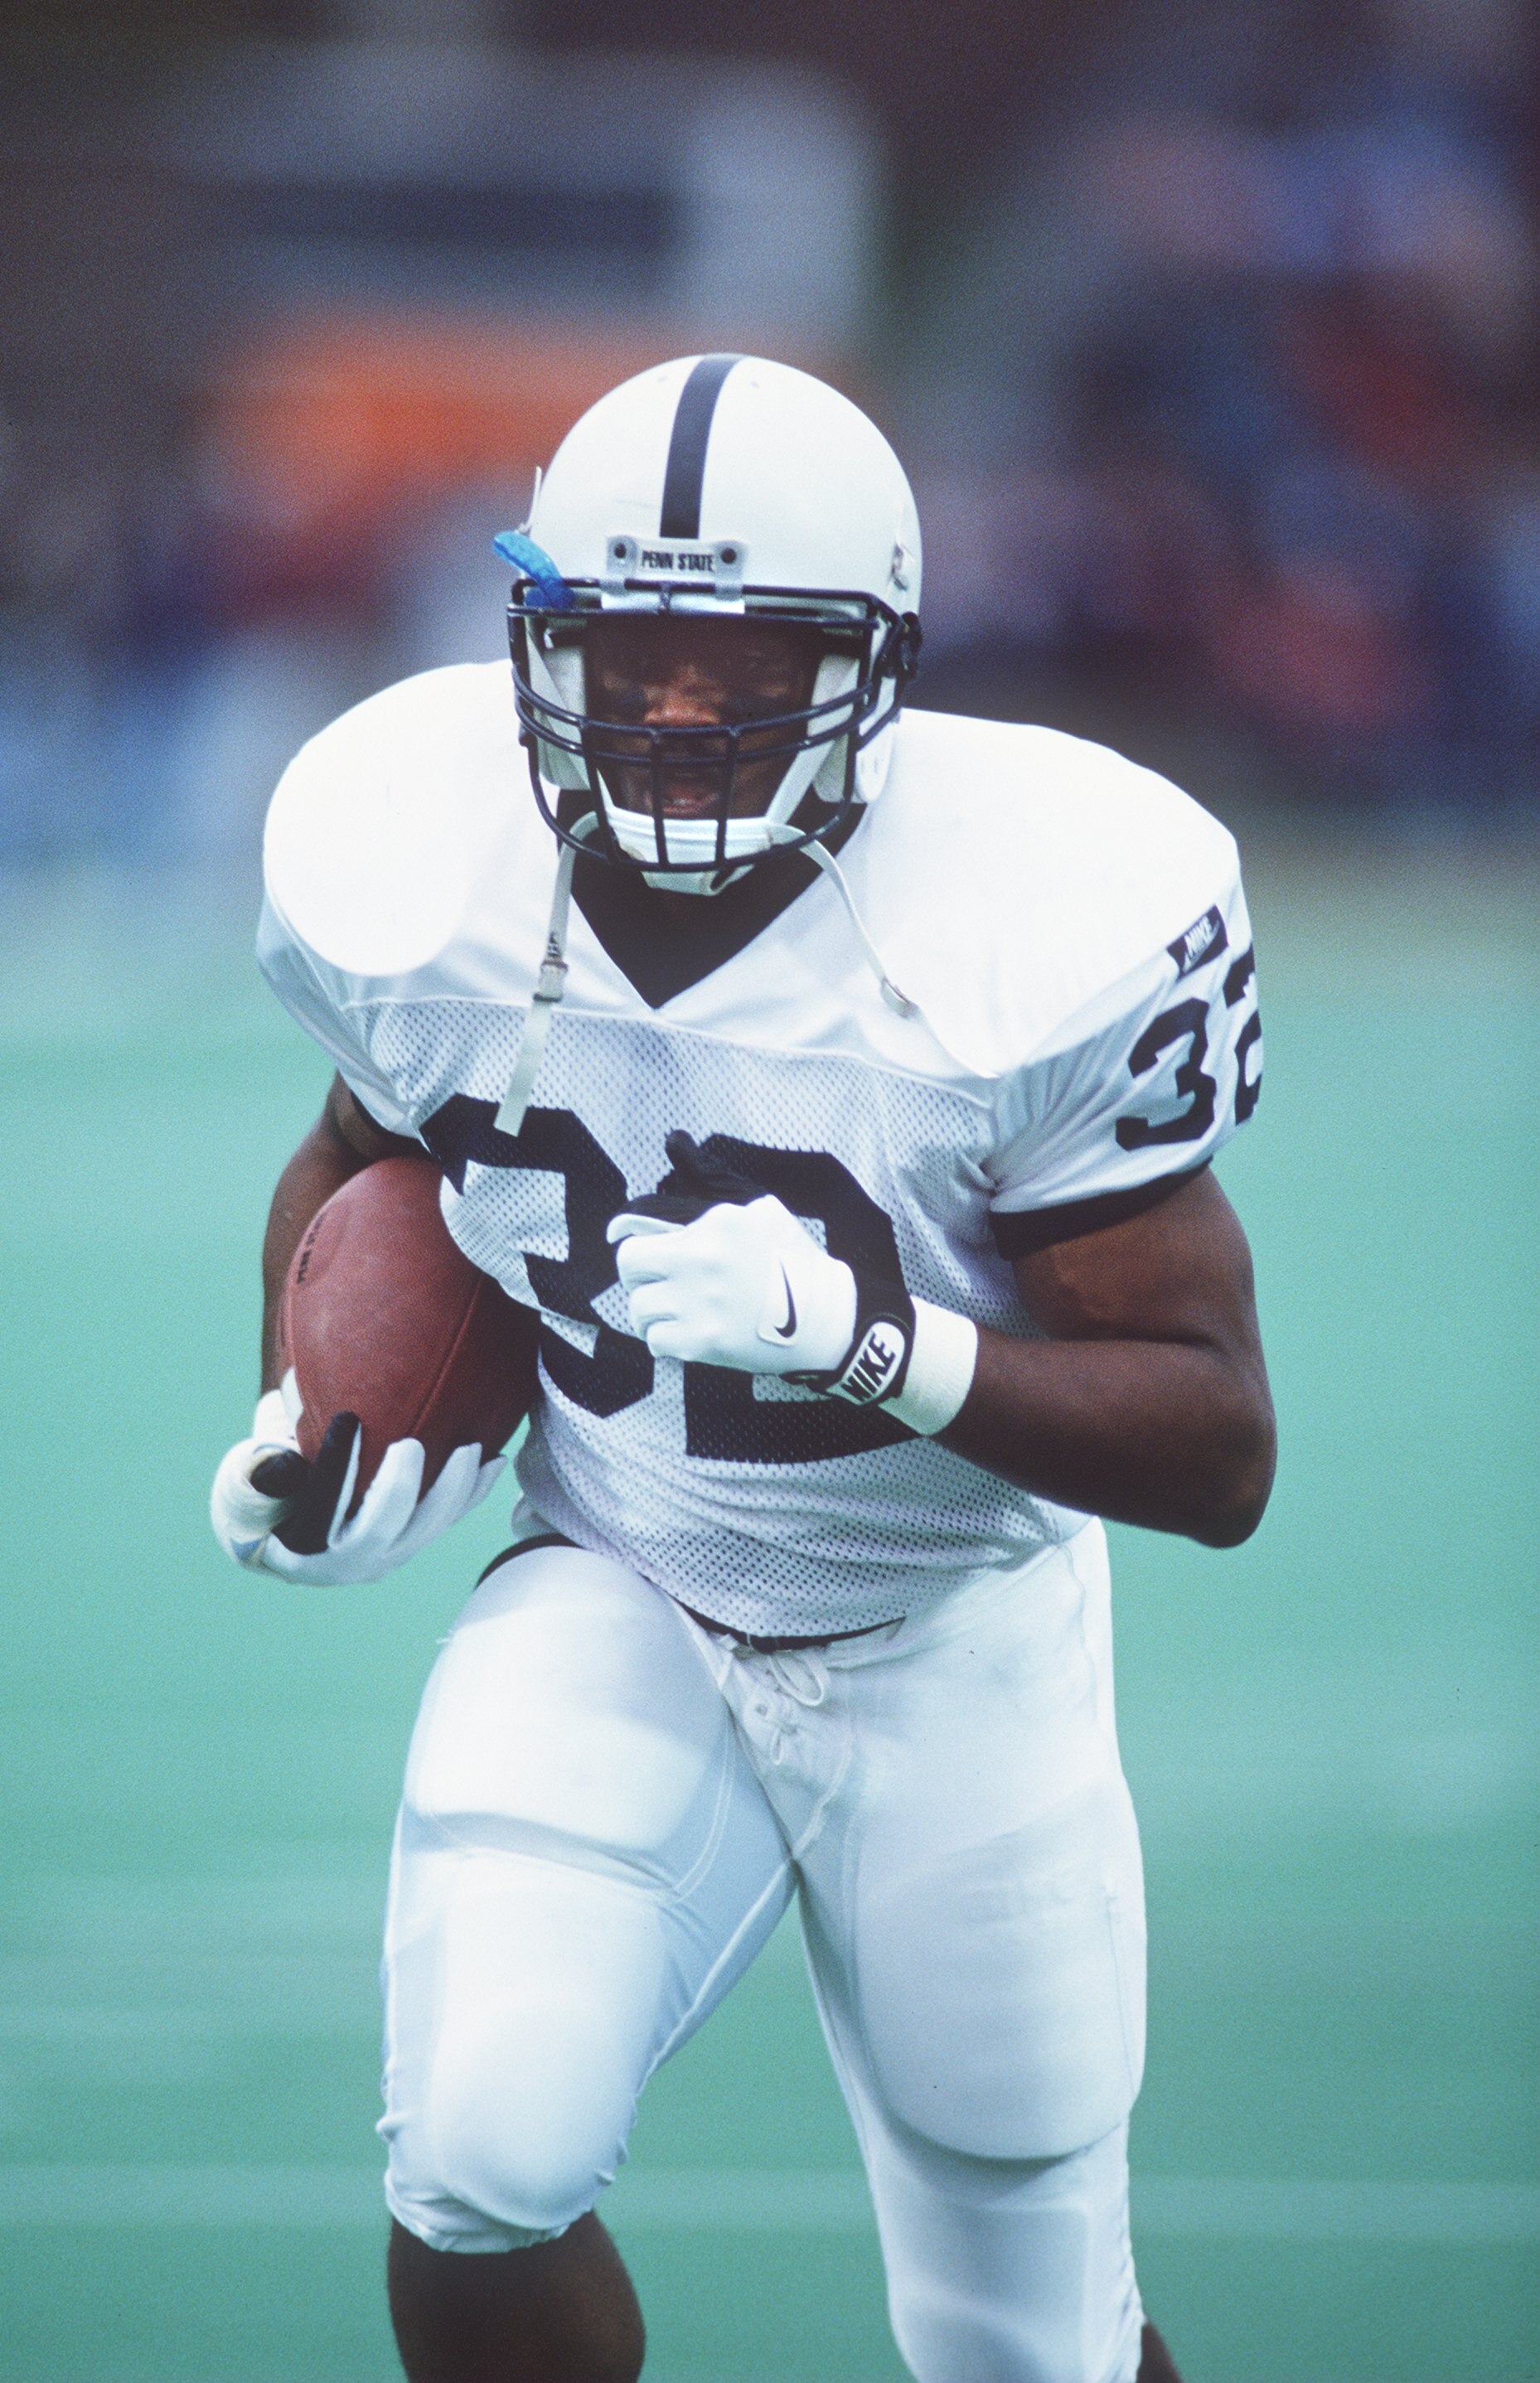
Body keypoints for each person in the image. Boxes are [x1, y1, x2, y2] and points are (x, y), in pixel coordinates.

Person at [211, 354, 1275, 2383]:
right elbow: (361, 1158)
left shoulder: (1037, 920)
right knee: (476, 2159)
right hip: (619, 1573)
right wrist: (313, 1426)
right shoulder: (413, 863)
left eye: (749, 660)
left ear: (871, 666)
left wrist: (881, 1348)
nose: (680, 713)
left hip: (947, 1619)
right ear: (541, 646)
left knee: (1021, 2340)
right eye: (631, 656)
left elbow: (1216, 1443)